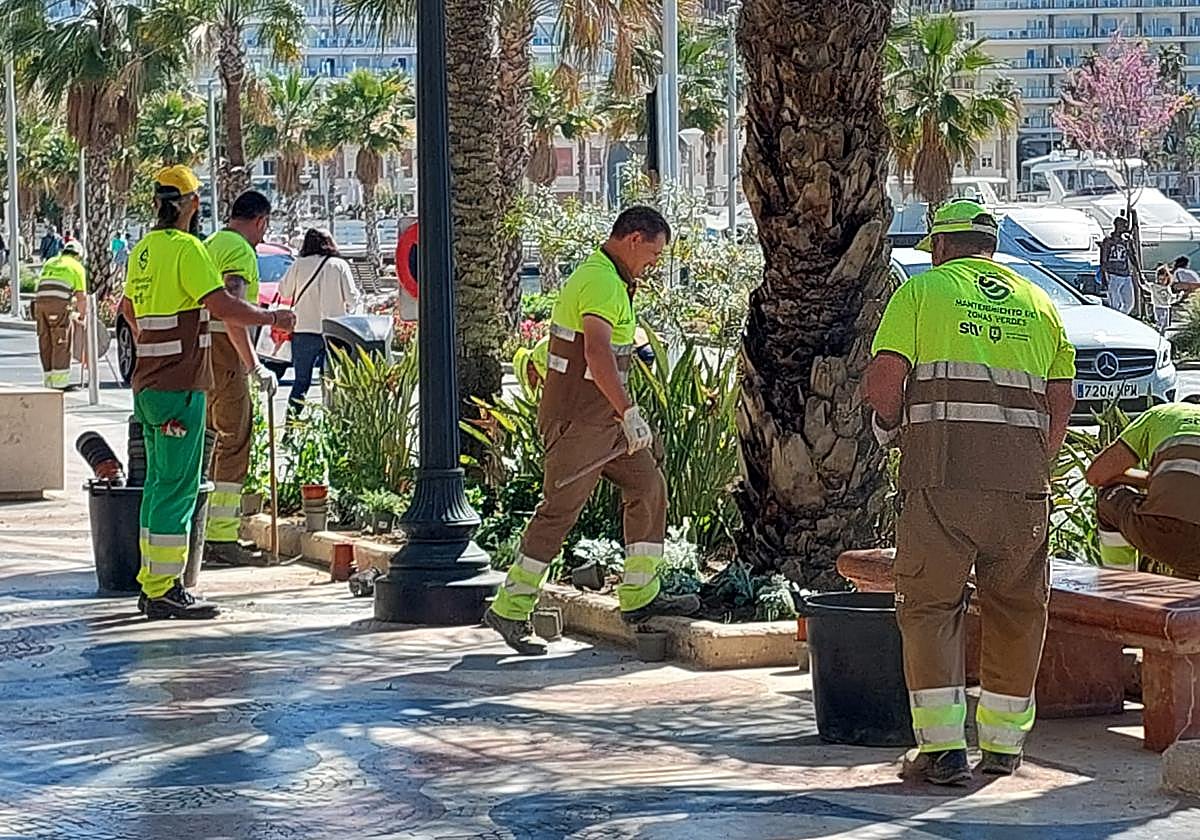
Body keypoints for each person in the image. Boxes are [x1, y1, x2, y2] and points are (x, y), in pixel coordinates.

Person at [864, 199, 1076, 785]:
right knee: (1017, 609)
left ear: (939, 246)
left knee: (931, 607)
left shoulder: (921, 292)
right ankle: (1004, 748)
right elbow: (1062, 398)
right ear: (991, 247)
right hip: (1022, 486)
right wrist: (1036, 461)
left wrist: (890, 428)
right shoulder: (1039, 302)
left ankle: (943, 751)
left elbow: (884, 380)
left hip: (941, 477)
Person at [484, 206, 699, 656]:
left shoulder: (609, 279)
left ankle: (639, 596)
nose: (654, 263)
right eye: (654, 253)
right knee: (559, 512)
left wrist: (622, 416)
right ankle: (510, 607)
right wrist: (629, 412)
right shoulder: (600, 281)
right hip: (581, 423)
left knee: (647, 485)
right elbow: (597, 355)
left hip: (605, 422)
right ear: (634, 239)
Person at [118, 166, 295, 620]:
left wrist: (152, 346)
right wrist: (272, 318)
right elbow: (222, 305)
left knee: (157, 484)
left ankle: (152, 582)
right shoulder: (187, 249)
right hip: (179, 387)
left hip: (147, 384)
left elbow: (128, 311)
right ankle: (164, 588)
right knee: (177, 486)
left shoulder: (143, 250)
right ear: (193, 203)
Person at [203, 190, 278, 566]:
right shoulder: (240, 251)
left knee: (206, 442)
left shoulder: (210, 244)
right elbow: (232, 309)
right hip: (225, 352)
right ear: (260, 221)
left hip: (200, 353)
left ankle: (202, 530)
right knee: (233, 440)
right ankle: (221, 536)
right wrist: (253, 365)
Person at [1084, 403, 1200, 577]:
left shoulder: (1161, 414)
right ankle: (1187, 584)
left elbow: (1096, 475)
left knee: (1109, 497)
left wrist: (1154, 478)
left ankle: (1119, 580)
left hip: (1162, 532)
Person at [276, 227, 360, 414]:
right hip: (335, 331)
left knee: (301, 382)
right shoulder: (339, 265)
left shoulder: (298, 264)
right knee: (333, 380)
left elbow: (284, 291)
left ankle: (290, 425)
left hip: (304, 330)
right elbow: (352, 298)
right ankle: (334, 420)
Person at [33, 240, 87, 390]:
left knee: (45, 340)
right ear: (78, 256)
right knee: (61, 341)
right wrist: (82, 316)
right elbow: (81, 297)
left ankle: (48, 380)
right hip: (58, 304)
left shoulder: (51, 262)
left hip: (40, 303)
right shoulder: (77, 267)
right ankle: (60, 383)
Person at [1100, 216, 1137, 315]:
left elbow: (1132, 256)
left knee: (1129, 303)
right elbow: (1103, 260)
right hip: (1113, 275)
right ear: (1116, 226)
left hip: (1126, 275)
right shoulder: (1108, 241)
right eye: (1123, 226)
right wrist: (1104, 276)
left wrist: (1138, 271)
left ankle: (1122, 317)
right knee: (1115, 304)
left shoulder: (1126, 241)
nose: (1125, 228)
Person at [1149, 263, 1175, 335]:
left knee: (1165, 325)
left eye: (1164, 279)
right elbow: (1145, 286)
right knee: (1159, 323)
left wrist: (1177, 297)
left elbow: (1170, 298)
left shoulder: (1167, 288)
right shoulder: (1154, 287)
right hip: (1158, 306)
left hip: (1166, 307)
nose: (1162, 281)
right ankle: (1157, 335)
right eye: (1160, 279)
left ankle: (1162, 336)